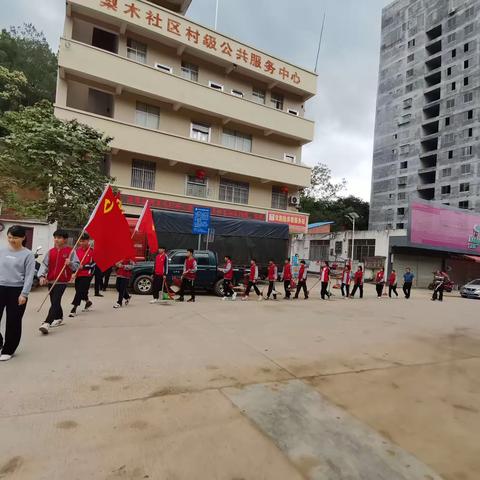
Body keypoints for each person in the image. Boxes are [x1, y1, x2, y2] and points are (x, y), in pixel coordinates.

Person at [0, 226, 36, 361]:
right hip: (0, 287)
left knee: (13, 321)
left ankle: (8, 350)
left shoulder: (28, 254)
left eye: (15, 237)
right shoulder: (1, 251)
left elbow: (29, 276)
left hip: (17, 290)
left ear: (23, 238)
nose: (11, 240)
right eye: (9, 237)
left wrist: (24, 294)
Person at [38, 230, 80, 334]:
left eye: (59, 237)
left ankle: (47, 322)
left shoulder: (71, 252)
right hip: (51, 280)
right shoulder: (51, 251)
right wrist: (42, 276)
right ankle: (59, 317)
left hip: (62, 281)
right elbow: (44, 265)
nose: (56, 239)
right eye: (55, 237)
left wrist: (70, 263)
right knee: (54, 301)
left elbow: (77, 266)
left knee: (55, 301)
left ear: (65, 239)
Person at [69, 233, 95, 317]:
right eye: (80, 241)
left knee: (80, 290)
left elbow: (93, 265)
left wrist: (83, 266)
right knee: (80, 290)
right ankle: (88, 302)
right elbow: (73, 263)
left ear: (88, 241)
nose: (81, 243)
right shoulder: (76, 251)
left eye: (83, 241)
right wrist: (73, 273)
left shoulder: (91, 251)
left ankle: (74, 308)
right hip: (78, 274)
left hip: (87, 275)